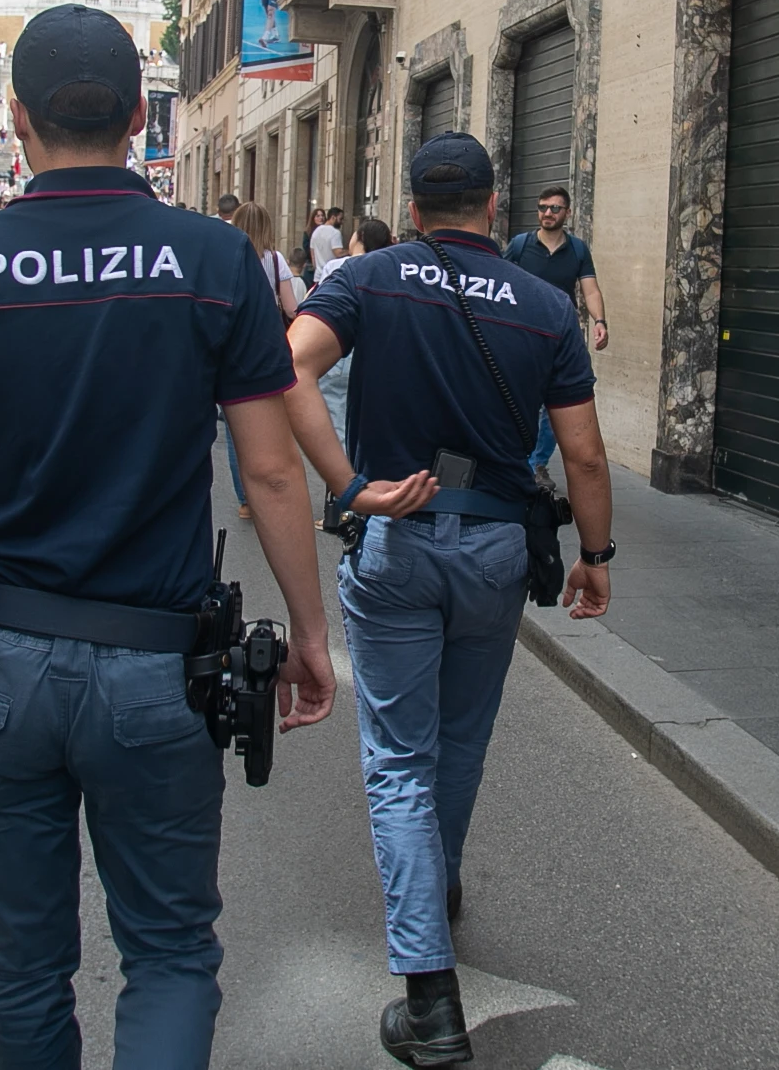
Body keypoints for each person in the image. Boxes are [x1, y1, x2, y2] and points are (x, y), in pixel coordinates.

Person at [0, 3, 335, 1070]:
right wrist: (310, 631)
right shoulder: (211, 261)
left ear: (16, 118)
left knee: (21, 967)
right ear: (136, 119)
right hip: (158, 670)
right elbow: (269, 467)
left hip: (1, 663)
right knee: (167, 952)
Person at [283, 132, 614, 1067]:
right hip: (495, 545)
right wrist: (595, 553)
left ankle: (428, 995)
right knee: (459, 742)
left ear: (416, 206)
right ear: (494, 203)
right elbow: (583, 453)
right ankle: (442, 879)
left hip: (399, 536)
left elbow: (286, 365)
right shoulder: (543, 306)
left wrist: (349, 485)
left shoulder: (370, 275)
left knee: (397, 754)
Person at [504, 185, 609, 490]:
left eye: (554, 208)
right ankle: (517, 462)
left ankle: (537, 463)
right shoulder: (520, 245)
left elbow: (590, 289)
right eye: (542, 208)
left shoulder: (577, 250)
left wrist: (599, 320)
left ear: (567, 213)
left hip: (560, 338)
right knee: (520, 402)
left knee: (556, 406)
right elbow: (499, 280)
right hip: (521, 337)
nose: (547, 213)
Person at [222, 200, 297, 522]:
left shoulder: (225, 255)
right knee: (267, 419)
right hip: (266, 344)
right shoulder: (276, 259)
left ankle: (245, 499)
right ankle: (271, 487)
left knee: (231, 427)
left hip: (229, 344)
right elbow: (292, 307)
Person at [312, 217, 390, 443]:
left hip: (340, 349)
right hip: (373, 350)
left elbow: (320, 305)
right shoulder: (387, 269)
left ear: (361, 237)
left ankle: (343, 476)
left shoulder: (337, 266)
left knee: (336, 419)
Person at [308, 206, 346, 276]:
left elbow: (313, 256)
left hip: (318, 275)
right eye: (340, 219)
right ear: (333, 217)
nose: (342, 222)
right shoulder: (335, 232)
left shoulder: (316, 231)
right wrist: (351, 251)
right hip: (330, 275)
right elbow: (338, 253)